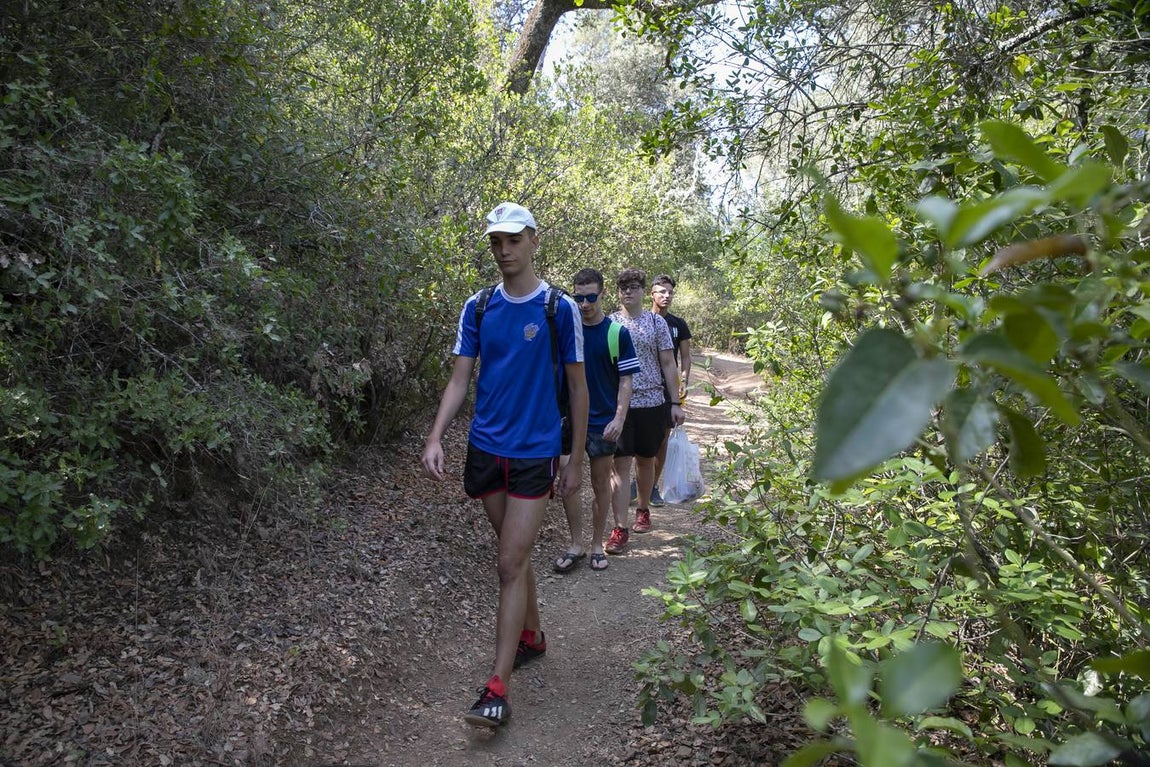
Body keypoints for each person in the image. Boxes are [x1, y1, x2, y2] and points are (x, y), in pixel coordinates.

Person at [420, 202, 589, 728]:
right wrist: (436, 436)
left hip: (536, 453)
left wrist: (576, 459)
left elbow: (579, 391)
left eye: (513, 240)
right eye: (496, 241)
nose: (504, 250)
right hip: (487, 450)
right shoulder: (478, 306)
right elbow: (458, 380)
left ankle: (497, 687)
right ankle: (533, 637)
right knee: (511, 558)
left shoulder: (557, 309)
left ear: (534, 241)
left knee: (509, 564)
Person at [553, 268, 638, 574]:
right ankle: (576, 543)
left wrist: (619, 418)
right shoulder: (566, 330)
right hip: (568, 420)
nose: (585, 303)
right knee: (567, 478)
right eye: (579, 297)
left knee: (601, 482)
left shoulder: (617, 333)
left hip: (603, 421)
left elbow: (626, 381)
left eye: (590, 297)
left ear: (602, 294)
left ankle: (596, 545)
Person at [607, 268, 683, 545]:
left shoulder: (655, 323)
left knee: (645, 459)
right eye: (623, 287)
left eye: (633, 287)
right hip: (620, 405)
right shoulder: (611, 323)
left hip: (652, 400)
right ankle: (619, 527)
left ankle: (643, 509)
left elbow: (667, 363)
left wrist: (676, 402)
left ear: (643, 291)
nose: (628, 291)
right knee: (620, 464)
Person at [649, 274, 693, 507]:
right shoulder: (642, 320)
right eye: (661, 291)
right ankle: (638, 482)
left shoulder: (678, 324)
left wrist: (683, 379)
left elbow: (685, 357)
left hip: (668, 390)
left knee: (662, 439)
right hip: (642, 388)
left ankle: (653, 485)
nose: (666, 296)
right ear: (652, 294)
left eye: (670, 292)